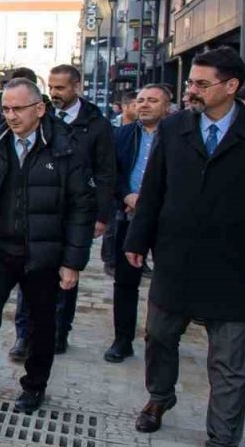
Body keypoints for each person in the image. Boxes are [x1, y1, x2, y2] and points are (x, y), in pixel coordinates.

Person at [124, 47, 245, 445]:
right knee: (158, 337)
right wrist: (138, 238)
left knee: (230, 361)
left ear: (232, 86)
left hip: (233, 265)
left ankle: (222, 437)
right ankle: (159, 397)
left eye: (201, 84)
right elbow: (153, 188)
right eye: (190, 82)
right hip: (175, 259)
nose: (191, 91)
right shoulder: (175, 129)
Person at [0, 78, 95, 425]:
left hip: (44, 251)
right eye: (6, 109)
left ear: (39, 108)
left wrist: (72, 261)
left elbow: (81, 208)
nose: (11, 116)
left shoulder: (65, 147)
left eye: (18, 109)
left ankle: (34, 385)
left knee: (42, 323)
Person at [12, 65, 115, 359]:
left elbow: (106, 172)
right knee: (27, 271)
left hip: (73, 214)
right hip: (37, 210)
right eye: (52, 87)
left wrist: (101, 215)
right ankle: (24, 335)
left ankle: (58, 332)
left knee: (66, 274)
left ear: (77, 87)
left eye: (61, 88)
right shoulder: (40, 115)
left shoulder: (96, 124)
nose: (55, 94)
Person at [103, 84, 169, 363]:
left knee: (167, 284)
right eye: (140, 100)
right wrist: (126, 195)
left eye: (152, 100)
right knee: (125, 281)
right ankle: (123, 339)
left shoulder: (178, 135)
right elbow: (111, 172)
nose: (144, 105)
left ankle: (163, 342)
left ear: (167, 106)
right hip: (130, 217)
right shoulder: (122, 135)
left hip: (168, 220)